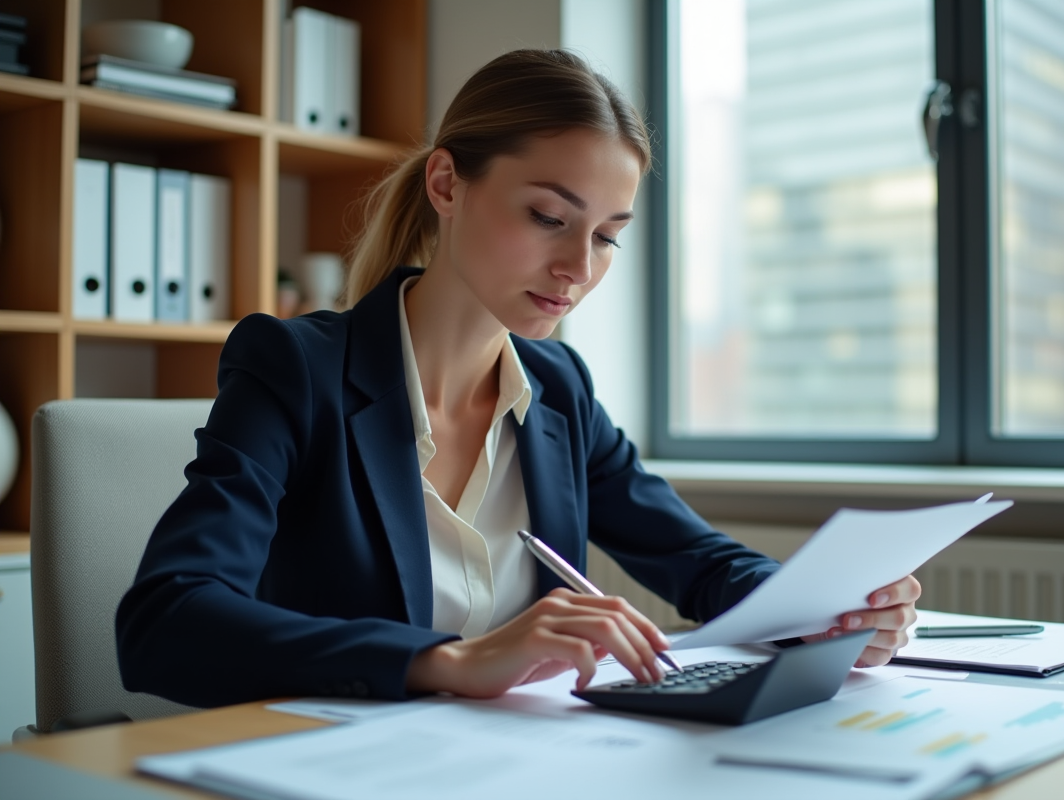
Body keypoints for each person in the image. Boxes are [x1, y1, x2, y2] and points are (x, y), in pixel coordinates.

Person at [116, 49, 920, 707]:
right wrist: (449, 660)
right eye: (548, 217)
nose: (578, 267)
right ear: (446, 185)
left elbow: (699, 561)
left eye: (606, 236)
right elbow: (165, 621)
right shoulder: (296, 368)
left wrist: (825, 611)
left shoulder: (558, 388)